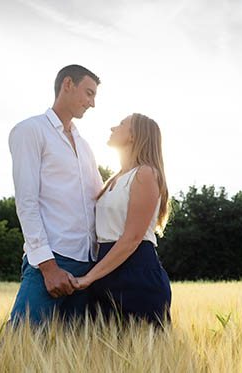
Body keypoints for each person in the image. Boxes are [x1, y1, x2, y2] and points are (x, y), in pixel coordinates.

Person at [8, 64, 103, 325]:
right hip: (52, 262)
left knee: (77, 357)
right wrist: (48, 267)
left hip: (88, 266)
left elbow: (98, 199)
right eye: (89, 93)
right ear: (68, 84)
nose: (92, 103)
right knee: (19, 348)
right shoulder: (30, 130)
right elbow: (26, 203)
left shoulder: (84, 145)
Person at [73, 113, 172, 326]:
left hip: (136, 271)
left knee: (146, 353)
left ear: (133, 136)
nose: (112, 128)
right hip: (106, 267)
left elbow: (132, 238)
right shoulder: (115, 179)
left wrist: (89, 278)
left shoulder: (145, 173)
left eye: (120, 124)